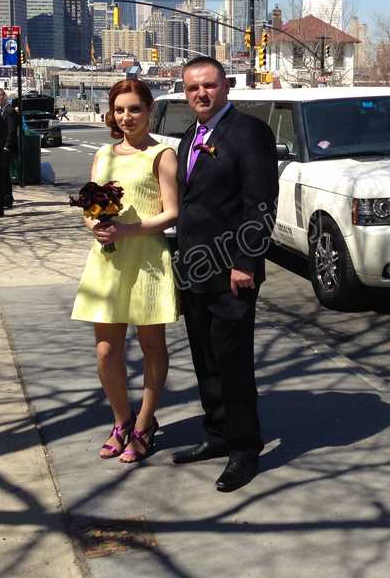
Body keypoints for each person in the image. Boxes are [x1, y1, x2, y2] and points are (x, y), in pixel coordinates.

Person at [170, 57, 279, 493]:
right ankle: (217, 435)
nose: (201, 94)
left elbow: (261, 204)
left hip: (232, 271)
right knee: (205, 361)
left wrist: (245, 263)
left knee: (233, 365)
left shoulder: (249, 133)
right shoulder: (188, 137)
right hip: (194, 269)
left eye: (209, 86)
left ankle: (244, 449)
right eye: (193, 87)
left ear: (226, 87)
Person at [71, 79, 179, 464]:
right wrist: (95, 226)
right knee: (105, 352)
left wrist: (128, 229)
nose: (126, 117)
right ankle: (121, 420)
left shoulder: (162, 154)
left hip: (148, 259)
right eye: (120, 109)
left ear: (149, 111)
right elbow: (88, 206)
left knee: (152, 348)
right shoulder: (103, 154)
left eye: (134, 109)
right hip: (108, 260)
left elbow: (171, 212)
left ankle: (145, 424)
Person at [0, 89, 17, 209]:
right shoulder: (0, 111)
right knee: (2, 174)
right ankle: (5, 197)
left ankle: (7, 198)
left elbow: (11, 131)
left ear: (4, 96)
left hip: (6, 148)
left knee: (5, 174)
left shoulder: (10, 111)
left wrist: (7, 146)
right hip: (0, 147)